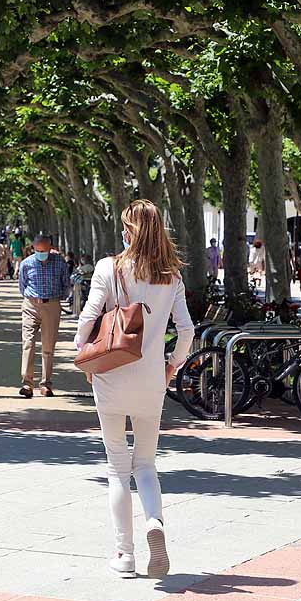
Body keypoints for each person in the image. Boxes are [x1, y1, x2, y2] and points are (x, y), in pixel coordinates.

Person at [75, 200, 195, 579]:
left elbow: (89, 317)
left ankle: (124, 555)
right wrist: (171, 366)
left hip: (111, 375)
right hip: (150, 382)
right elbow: (188, 331)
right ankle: (155, 521)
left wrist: (84, 357)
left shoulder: (109, 268)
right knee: (145, 463)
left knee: (116, 466)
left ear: (129, 232)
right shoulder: (170, 276)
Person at [18, 232, 72, 398]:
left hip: (52, 305)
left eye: (44, 250)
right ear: (33, 248)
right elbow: (22, 285)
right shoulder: (26, 264)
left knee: (48, 347)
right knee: (28, 343)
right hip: (31, 305)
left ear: (50, 248)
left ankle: (45, 384)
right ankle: (27, 384)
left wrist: (56, 300)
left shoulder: (59, 263)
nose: (41, 254)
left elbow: (66, 283)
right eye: (38, 250)